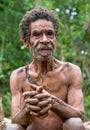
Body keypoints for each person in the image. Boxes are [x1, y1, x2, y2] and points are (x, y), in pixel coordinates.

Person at [6, 7, 85, 130]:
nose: (44, 40)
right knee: (12, 128)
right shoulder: (18, 76)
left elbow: (80, 115)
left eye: (49, 34)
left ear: (56, 38)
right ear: (27, 42)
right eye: (37, 34)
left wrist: (53, 102)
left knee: (75, 123)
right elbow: (16, 120)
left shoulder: (71, 71)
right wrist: (28, 108)